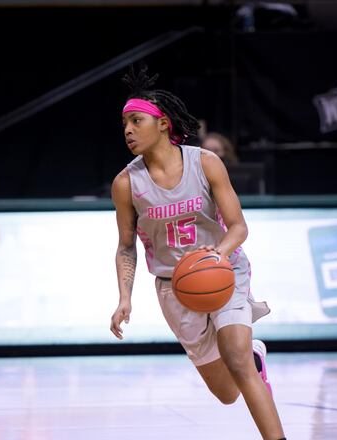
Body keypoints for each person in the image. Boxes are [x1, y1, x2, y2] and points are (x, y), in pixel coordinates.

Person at [109, 66, 285, 440]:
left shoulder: (205, 162)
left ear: (163, 123)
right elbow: (126, 245)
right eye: (124, 123)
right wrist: (124, 297)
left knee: (237, 359)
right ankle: (255, 357)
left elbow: (238, 227)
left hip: (223, 270)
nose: (128, 130)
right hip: (175, 287)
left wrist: (218, 254)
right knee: (226, 393)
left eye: (136, 121)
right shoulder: (126, 183)